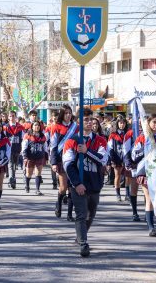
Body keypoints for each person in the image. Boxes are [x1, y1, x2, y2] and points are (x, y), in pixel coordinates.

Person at [63, 108, 108, 257]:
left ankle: (80, 236)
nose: (89, 122)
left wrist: (87, 151)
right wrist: (76, 183)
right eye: (86, 120)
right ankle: (83, 244)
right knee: (81, 215)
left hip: (94, 183)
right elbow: (68, 165)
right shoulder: (71, 141)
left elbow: (102, 159)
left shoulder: (100, 140)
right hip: (79, 185)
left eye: (91, 119)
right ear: (78, 122)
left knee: (91, 214)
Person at [51, 105, 78, 219]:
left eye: (70, 113)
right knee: (63, 187)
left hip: (73, 159)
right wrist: (53, 162)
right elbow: (53, 146)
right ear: (62, 114)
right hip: (61, 160)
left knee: (72, 187)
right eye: (66, 113)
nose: (68, 115)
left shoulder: (76, 127)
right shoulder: (56, 127)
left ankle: (69, 214)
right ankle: (59, 203)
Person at [22, 120, 48, 195]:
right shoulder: (28, 135)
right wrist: (25, 156)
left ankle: (37, 189)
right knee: (28, 174)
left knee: (38, 173)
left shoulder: (43, 136)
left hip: (39, 157)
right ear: (32, 126)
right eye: (35, 125)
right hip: (30, 157)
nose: (37, 127)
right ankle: (27, 185)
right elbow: (24, 147)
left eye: (38, 125)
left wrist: (46, 157)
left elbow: (45, 147)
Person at [107, 116, 130, 202]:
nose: (122, 125)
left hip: (127, 158)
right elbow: (110, 148)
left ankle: (127, 194)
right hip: (117, 157)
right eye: (120, 123)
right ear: (117, 124)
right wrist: (111, 159)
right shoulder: (113, 135)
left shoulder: (128, 134)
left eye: (123, 123)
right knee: (118, 176)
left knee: (128, 176)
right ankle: (118, 194)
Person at [4, 110, 25, 189]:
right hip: (8, 150)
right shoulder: (5, 127)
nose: (12, 117)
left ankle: (12, 178)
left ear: (15, 117)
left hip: (17, 148)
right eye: (10, 116)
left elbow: (23, 138)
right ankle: (12, 180)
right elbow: (4, 139)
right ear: (8, 117)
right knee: (11, 165)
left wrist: (22, 149)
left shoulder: (20, 127)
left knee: (14, 165)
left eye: (13, 116)